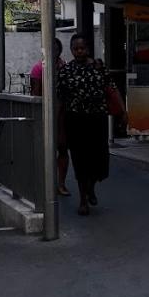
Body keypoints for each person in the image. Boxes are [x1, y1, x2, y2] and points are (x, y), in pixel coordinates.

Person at [58, 33, 111, 215]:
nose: (79, 52)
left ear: (88, 49)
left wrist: (122, 112)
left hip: (97, 119)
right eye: (76, 49)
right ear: (71, 50)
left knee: (99, 159)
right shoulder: (66, 71)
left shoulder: (99, 67)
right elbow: (61, 100)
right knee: (80, 160)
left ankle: (91, 187)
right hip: (75, 120)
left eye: (82, 48)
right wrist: (60, 127)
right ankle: (82, 200)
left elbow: (110, 89)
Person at [31, 37, 70, 196]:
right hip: (46, 114)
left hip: (63, 115)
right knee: (46, 151)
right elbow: (35, 93)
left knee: (63, 148)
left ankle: (61, 183)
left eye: (56, 48)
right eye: (50, 48)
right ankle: (46, 184)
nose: (54, 52)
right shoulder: (38, 68)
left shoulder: (65, 67)